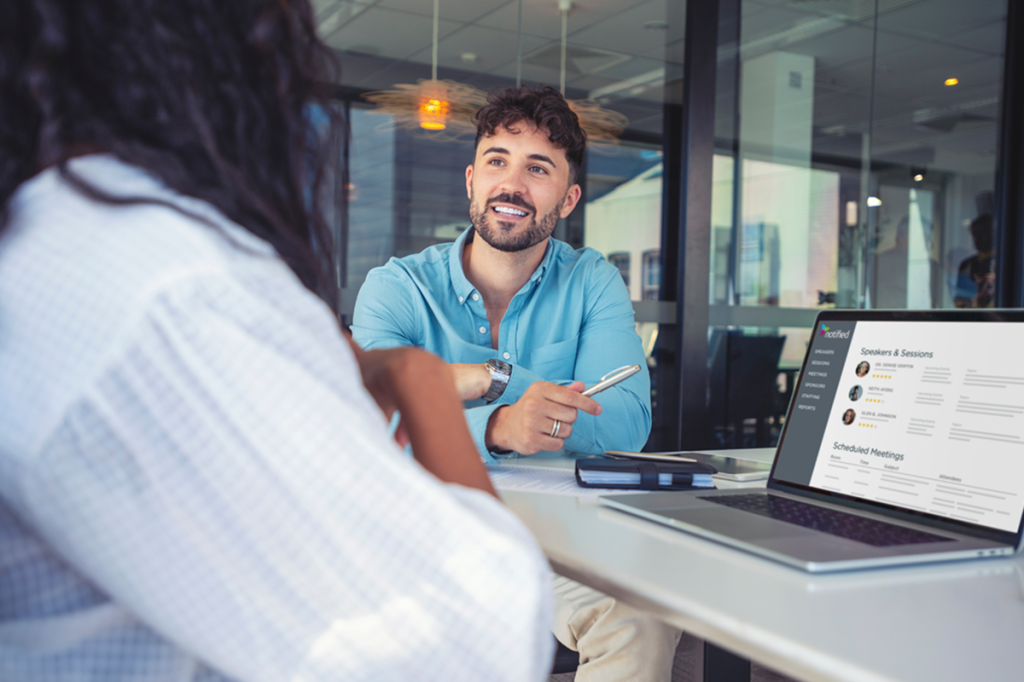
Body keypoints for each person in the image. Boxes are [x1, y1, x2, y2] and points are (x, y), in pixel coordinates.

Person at [0, 2, 553, 681]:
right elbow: (471, 643)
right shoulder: (169, 286)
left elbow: (622, 414)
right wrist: (430, 389)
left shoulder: (53, 238)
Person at [352, 85, 679, 682]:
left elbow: (627, 418)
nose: (513, 185)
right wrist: (500, 426)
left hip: (560, 537)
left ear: (569, 196)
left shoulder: (592, 281)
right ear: (472, 179)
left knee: (641, 615)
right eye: (498, 161)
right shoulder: (398, 288)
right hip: (422, 528)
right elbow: (365, 419)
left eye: (538, 169)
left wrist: (487, 378)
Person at [955, 214, 995, 308]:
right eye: (974, 234)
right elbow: (960, 301)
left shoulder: (1003, 262)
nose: (977, 238)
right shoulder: (966, 265)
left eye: (982, 233)